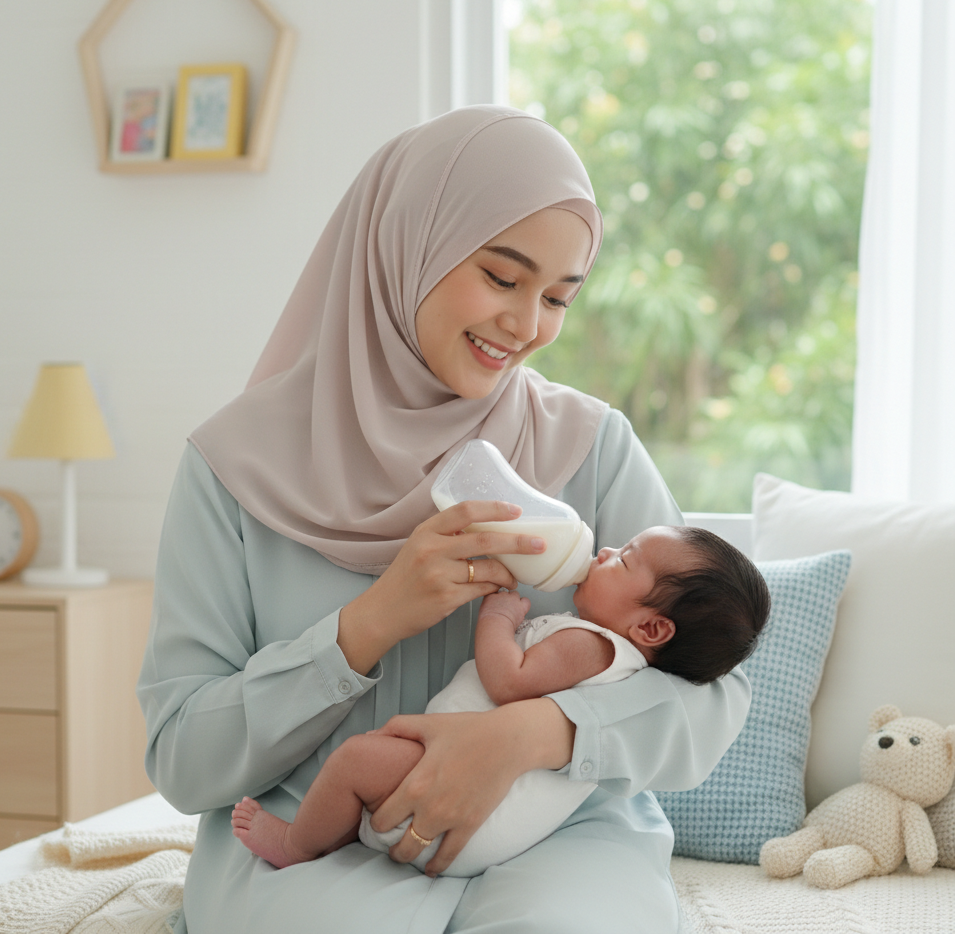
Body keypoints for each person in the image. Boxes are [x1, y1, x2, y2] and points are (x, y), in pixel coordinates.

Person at [137, 106, 753, 934]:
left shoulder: (591, 446)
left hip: (558, 836)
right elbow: (184, 760)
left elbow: (715, 698)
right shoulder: (234, 469)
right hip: (322, 839)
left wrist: (535, 733)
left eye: (559, 297)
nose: (528, 326)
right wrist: (364, 627)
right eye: (503, 278)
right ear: (406, 246)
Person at [230, 525, 770, 877]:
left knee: (354, 761)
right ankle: (342, 832)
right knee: (374, 764)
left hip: (467, 813)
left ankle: (300, 846)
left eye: (624, 560)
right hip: (478, 825)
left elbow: (508, 683)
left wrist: (497, 621)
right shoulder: (616, 661)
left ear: (651, 627)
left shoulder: (591, 645)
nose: (605, 550)